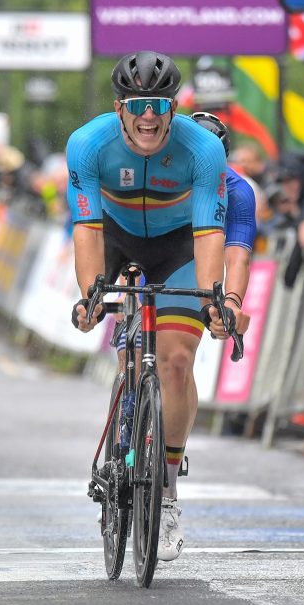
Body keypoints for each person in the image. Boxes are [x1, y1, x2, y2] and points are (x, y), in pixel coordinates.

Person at [66, 50, 234, 563]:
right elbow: (87, 228)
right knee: (127, 353)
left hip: (179, 244)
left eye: (158, 104)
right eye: (137, 104)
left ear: (174, 106)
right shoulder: (87, 145)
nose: (148, 116)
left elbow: (209, 231)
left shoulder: (203, 149)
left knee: (178, 360)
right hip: (114, 238)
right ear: (119, 108)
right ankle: (124, 441)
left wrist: (211, 298)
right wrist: (92, 295)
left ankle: (164, 486)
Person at [190, 112, 255, 330]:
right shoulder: (160, 176)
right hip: (155, 252)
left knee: (178, 358)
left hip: (198, 264)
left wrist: (232, 303)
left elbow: (238, 258)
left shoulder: (238, 192)